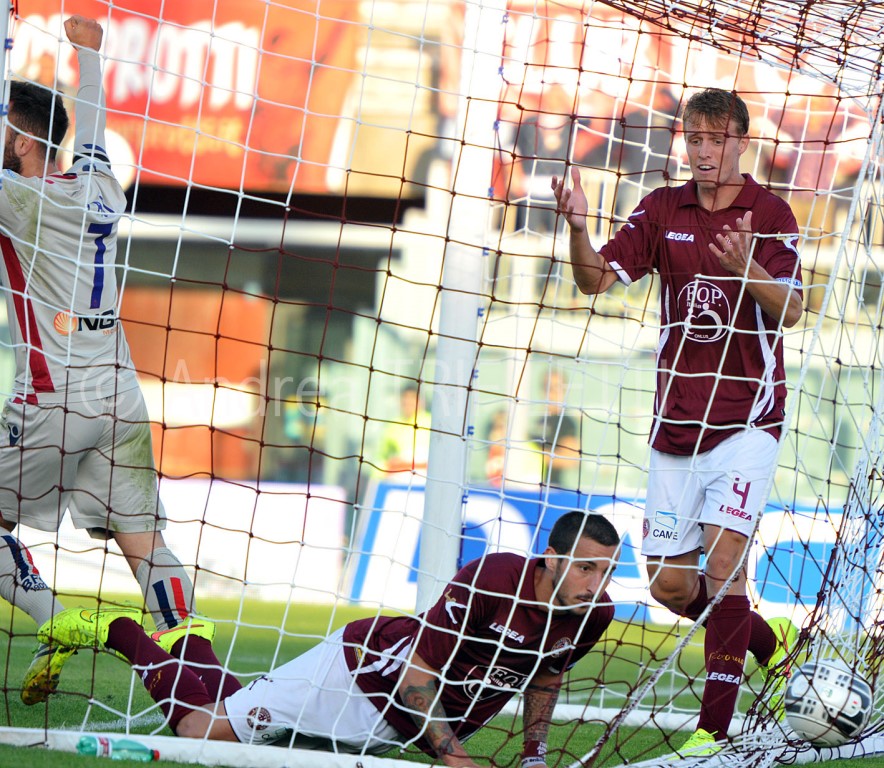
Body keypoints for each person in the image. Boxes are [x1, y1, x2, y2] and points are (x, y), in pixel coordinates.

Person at [552, 88, 803, 755]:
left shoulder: (770, 213)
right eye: (694, 138)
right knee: (670, 585)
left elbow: (792, 309)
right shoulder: (663, 208)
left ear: (741, 142)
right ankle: (771, 649)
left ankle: (711, 736)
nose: (703, 151)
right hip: (676, 425)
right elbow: (593, 281)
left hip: (748, 420)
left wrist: (745, 267)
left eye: (716, 139)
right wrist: (577, 228)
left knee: (724, 568)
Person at [39, 511, 619, 767]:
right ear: (550, 558)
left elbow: (547, 673)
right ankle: (119, 630)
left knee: (250, 739)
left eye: (608, 572)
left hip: (403, 722)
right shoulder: (493, 579)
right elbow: (415, 674)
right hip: (357, 676)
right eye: (586, 569)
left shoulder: (594, 614)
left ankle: (192, 638)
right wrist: (457, 757)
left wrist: (535, 756)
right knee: (199, 733)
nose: (597, 585)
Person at [0, 16, 197, 705]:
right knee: (145, 543)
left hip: (52, 398)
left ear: (21, 140)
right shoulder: (100, 183)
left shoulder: (17, 199)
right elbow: (93, 123)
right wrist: (89, 53)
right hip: (119, 394)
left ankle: (55, 618)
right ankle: (198, 668)